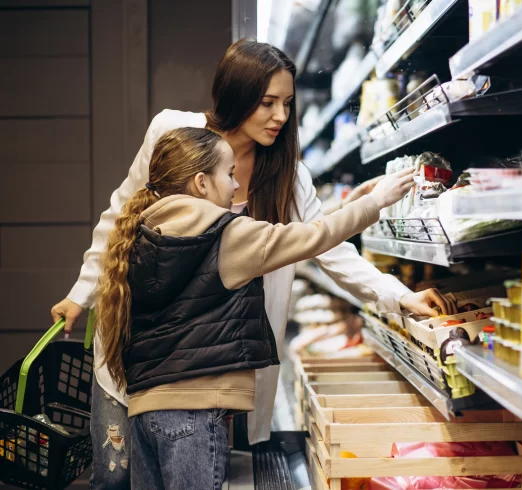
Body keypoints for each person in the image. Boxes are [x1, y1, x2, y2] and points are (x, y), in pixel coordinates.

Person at [49, 40, 457, 489]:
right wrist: (80, 294)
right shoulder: (173, 133)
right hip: (135, 348)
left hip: (210, 364)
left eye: (287, 103)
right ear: (238, 95)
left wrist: (399, 295)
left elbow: (332, 252)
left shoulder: (287, 174)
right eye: (267, 103)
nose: (281, 116)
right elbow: (121, 217)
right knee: (114, 475)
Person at [94, 126, 415, 489]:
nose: (235, 185)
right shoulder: (225, 236)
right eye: (228, 174)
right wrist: (375, 202)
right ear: (201, 183)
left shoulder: (138, 235)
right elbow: (311, 237)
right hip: (194, 418)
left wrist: (345, 206)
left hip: (142, 414)